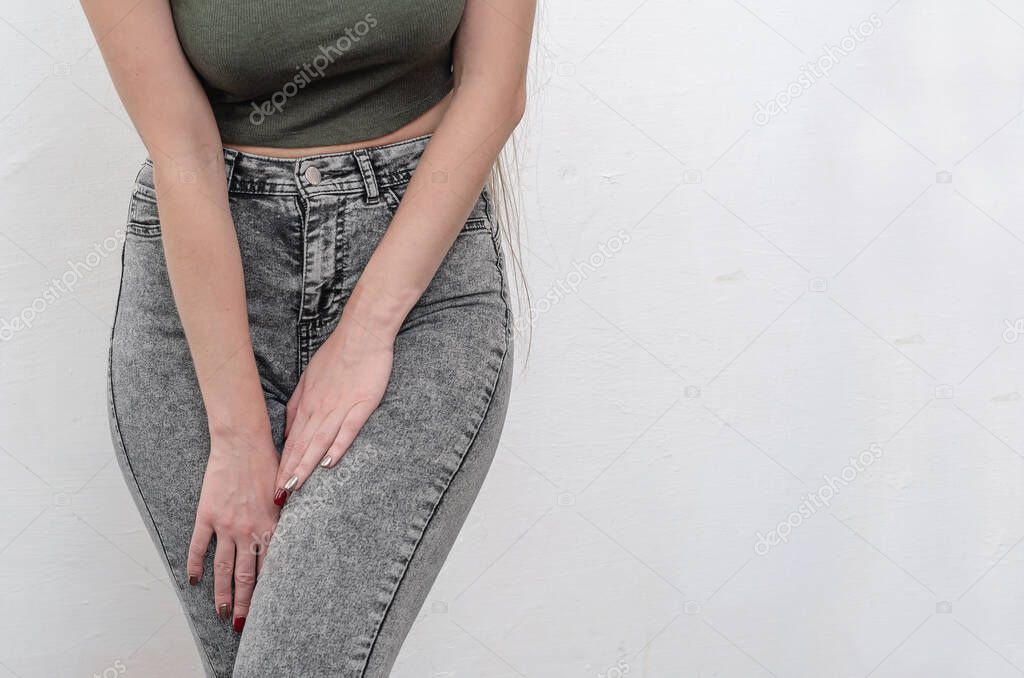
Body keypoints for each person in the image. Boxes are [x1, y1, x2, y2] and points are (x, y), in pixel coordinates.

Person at [80, 0, 535, 674]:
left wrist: (366, 331)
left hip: (417, 271)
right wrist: (236, 438)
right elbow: (182, 150)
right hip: (205, 295)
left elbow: (494, 88)